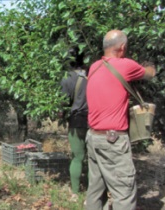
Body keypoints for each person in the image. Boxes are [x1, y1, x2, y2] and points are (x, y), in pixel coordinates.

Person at [85, 30, 156, 210]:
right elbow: (149, 75)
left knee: (95, 190)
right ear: (123, 47)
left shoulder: (94, 67)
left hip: (93, 138)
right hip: (113, 141)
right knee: (124, 193)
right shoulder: (126, 65)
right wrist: (150, 66)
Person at [60, 47, 88, 201]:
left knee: (77, 157)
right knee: (93, 160)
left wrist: (61, 113)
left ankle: (75, 193)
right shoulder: (92, 76)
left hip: (76, 121)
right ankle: (92, 194)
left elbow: (63, 105)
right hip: (95, 122)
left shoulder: (67, 78)